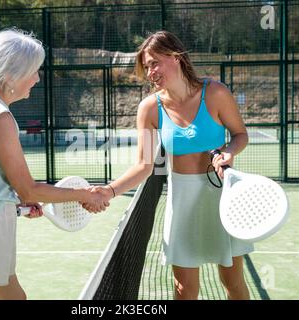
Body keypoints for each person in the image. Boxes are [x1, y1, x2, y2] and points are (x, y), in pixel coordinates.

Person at [0, 28, 109, 300]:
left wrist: (14, 202)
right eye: (34, 70)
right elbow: (29, 190)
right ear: (11, 76)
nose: (37, 78)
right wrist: (84, 195)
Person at [88, 31, 254, 300]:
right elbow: (143, 165)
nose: (150, 72)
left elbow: (240, 135)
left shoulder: (216, 93)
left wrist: (228, 152)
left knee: (232, 282)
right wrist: (109, 190)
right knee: (184, 289)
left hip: (222, 197)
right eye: (146, 67)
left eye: (154, 63)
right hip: (182, 201)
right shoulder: (149, 109)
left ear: (176, 57)